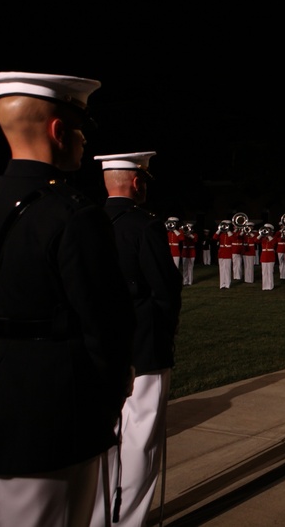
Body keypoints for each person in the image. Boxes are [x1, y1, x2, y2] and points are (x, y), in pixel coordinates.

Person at [0, 72, 135, 527]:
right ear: (58, 131)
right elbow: (106, 325)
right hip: (59, 407)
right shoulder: (76, 214)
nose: (83, 142)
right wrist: (111, 392)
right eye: (81, 130)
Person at [90, 151, 182, 527]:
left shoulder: (87, 220)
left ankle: (98, 517)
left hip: (98, 346)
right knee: (140, 438)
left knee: (102, 441)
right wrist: (167, 329)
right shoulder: (145, 225)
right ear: (136, 181)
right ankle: (128, 521)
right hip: (144, 344)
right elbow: (166, 288)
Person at [212, 221, 236, 289]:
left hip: (228, 252)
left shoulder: (231, 234)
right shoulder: (221, 234)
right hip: (221, 253)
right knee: (221, 269)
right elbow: (214, 237)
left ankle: (227, 284)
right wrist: (219, 229)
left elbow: (233, 239)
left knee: (227, 269)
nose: (225, 227)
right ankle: (222, 284)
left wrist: (228, 230)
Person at [259, 224, 278, 291]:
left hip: (270, 256)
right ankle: (264, 286)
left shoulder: (273, 237)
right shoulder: (263, 238)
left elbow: (274, 242)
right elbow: (256, 240)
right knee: (264, 272)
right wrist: (261, 234)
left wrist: (268, 235)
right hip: (264, 256)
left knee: (270, 272)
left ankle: (270, 286)